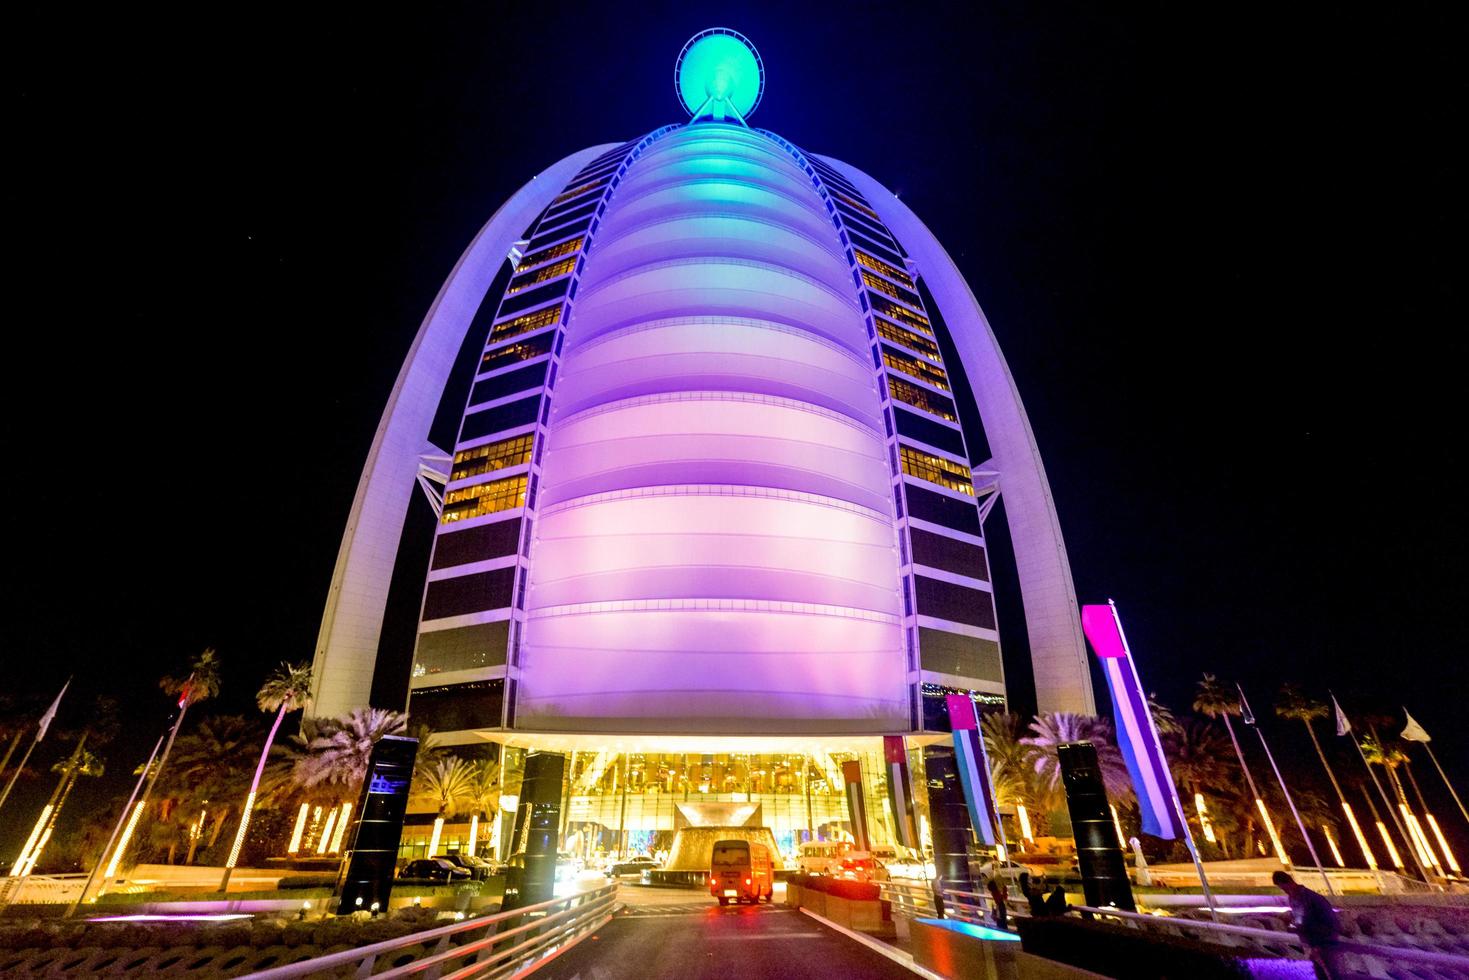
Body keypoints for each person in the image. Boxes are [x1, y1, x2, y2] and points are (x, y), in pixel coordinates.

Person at [1273, 870, 1344, 978]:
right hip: (1312, 944)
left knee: (1332, 973)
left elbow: (1330, 923)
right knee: (1321, 974)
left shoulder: (1313, 898)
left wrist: (1319, 946)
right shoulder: (1293, 898)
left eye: (1285, 888)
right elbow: (1301, 922)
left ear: (1290, 882)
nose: (1285, 892)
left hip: (1324, 945)